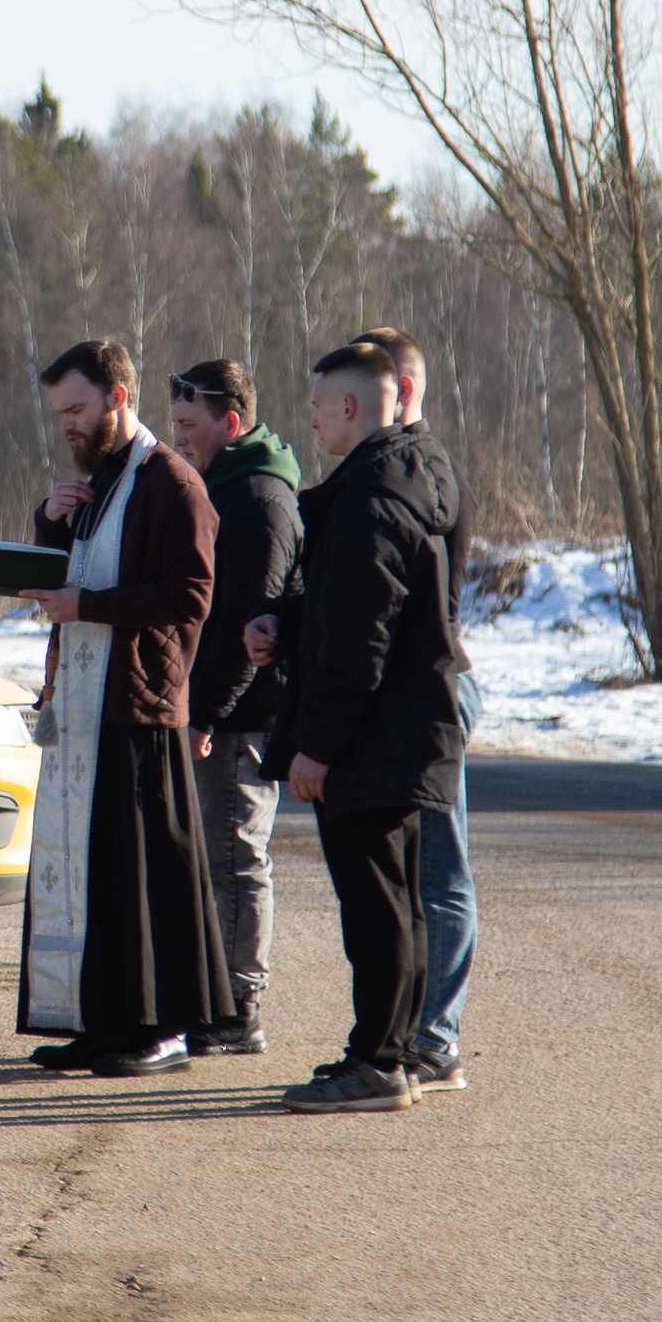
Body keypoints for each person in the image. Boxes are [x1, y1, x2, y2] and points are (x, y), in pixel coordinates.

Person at [257, 342, 467, 1113]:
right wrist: (285, 618)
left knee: (377, 908)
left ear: (351, 406)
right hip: (408, 733)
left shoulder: (367, 501)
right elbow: (359, 613)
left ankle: (376, 1062)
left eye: (318, 404)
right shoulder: (416, 474)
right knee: (402, 900)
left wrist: (316, 746)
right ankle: (401, 1049)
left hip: (375, 740)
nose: (309, 417)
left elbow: (358, 644)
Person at [14, 339, 227, 1077]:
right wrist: (48, 521)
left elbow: (191, 595)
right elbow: (66, 582)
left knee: (142, 880)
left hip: (139, 710)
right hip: (81, 708)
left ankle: (160, 1029)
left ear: (118, 398)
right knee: (91, 875)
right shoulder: (99, 484)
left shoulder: (171, 482)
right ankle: (99, 1021)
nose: (67, 425)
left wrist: (88, 605)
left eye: (76, 408)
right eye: (59, 413)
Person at [351, 326, 476, 1095]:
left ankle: (436, 1036)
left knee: (440, 868)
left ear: (399, 387)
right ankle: (414, 1032)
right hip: (415, 686)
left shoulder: (425, 470)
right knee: (413, 869)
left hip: (433, 687)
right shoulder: (400, 468)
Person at [165, 359, 301, 1057]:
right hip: (219, 708)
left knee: (235, 855)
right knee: (217, 856)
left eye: (190, 425)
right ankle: (216, 997)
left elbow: (247, 623)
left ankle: (239, 1006)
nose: (179, 437)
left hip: (242, 715)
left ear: (232, 421)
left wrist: (206, 714)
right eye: (176, 423)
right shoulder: (225, 487)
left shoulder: (256, 499)